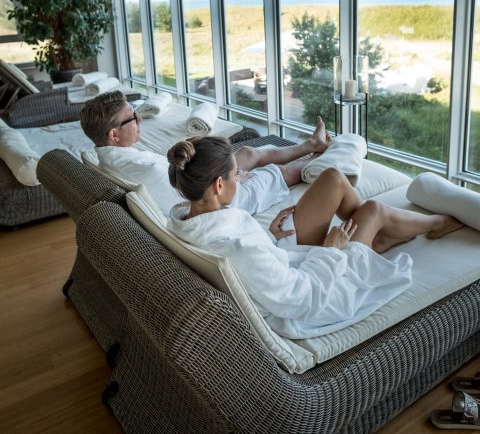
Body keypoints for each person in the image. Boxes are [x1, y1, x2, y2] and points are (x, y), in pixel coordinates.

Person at [166, 136, 463, 339]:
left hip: (286, 261)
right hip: (317, 296)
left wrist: (268, 237)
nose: (242, 178)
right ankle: (436, 223)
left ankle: (374, 242)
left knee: (333, 178)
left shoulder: (187, 221)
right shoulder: (236, 248)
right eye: (237, 175)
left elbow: (253, 264)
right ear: (219, 185)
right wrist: (331, 251)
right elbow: (299, 300)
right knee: (371, 212)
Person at [79, 90, 332, 217]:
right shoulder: (146, 170)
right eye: (132, 118)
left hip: (206, 181)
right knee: (275, 172)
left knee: (246, 151)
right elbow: (191, 201)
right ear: (114, 135)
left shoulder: (106, 156)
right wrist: (232, 180)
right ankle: (320, 159)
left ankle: (312, 144)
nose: (139, 120)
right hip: (221, 198)